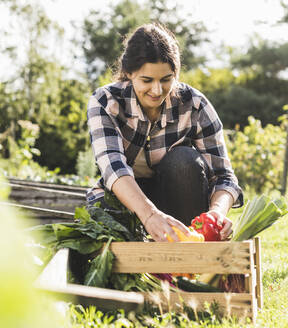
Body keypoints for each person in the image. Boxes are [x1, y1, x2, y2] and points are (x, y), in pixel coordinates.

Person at [86, 23, 243, 242]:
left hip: (178, 200)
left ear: (176, 74)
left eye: (166, 79)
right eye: (147, 80)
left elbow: (224, 176)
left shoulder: (195, 105)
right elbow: (114, 168)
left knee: (184, 161)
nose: (157, 90)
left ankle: (189, 251)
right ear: (129, 73)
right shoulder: (105, 102)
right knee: (105, 212)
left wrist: (216, 212)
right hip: (127, 201)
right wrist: (150, 215)